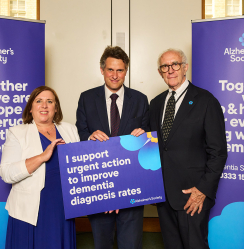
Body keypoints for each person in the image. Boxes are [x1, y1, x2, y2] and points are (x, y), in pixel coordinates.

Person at [149, 49, 227, 249]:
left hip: (192, 196)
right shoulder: (156, 104)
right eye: (165, 67)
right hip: (164, 195)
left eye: (175, 64)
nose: (170, 70)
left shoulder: (206, 101)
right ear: (160, 72)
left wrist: (203, 190)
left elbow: (218, 152)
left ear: (185, 67)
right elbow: (155, 146)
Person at [76, 46, 149, 249]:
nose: (115, 75)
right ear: (102, 70)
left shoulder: (141, 99)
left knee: (131, 244)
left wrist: (143, 135)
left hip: (132, 184)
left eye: (120, 70)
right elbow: (80, 132)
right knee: (102, 243)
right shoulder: (86, 98)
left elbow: (149, 137)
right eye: (110, 70)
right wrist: (89, 136)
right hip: (99, 184)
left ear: (126, 71)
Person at [0, 86, 79, 249]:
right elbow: (6, 173)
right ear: (30, 108)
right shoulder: (17, 133)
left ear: (56, 108)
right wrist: (42, 156)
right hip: (31, 209)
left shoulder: (70, 129)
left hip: (63, 206)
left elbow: (81, 166)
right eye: (39, 101)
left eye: (50, 101)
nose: (44, 105)